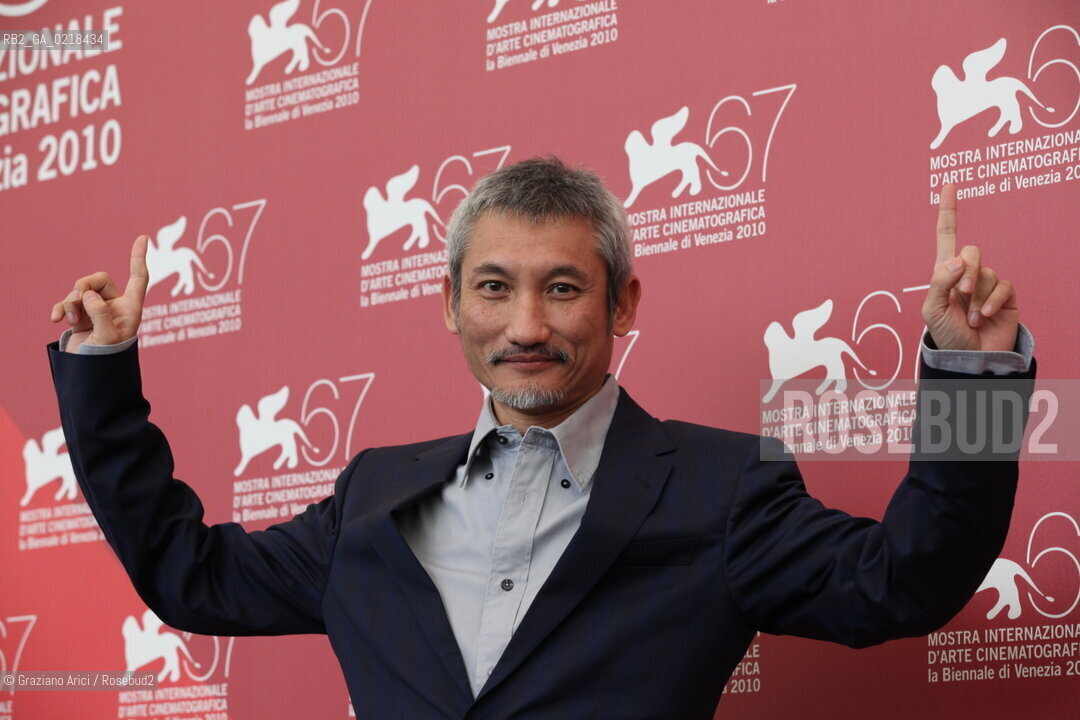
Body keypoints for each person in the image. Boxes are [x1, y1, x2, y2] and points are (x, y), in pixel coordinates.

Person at [47, 157, 1035, 718]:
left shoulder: (720, 485)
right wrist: (102, 376)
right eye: (494, 287)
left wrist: (975, 378)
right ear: (448, 305)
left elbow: (909, 577)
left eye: (561, 288)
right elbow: (189, 577)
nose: (525, 325)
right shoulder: (372, 499)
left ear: (621, 302)